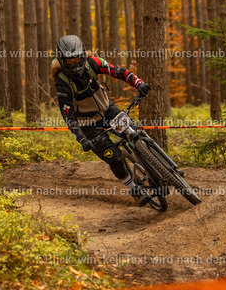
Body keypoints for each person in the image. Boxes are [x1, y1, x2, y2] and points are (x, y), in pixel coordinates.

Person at [52, 35, 152, 206]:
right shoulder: (62, 82)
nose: (74, 64)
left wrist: (138, 83)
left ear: (83, 56)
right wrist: (82, 139)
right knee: (114, 157)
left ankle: (160, 166)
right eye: (69, 61)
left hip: (107, 111)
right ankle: (134, 189)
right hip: (87, 124)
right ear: (62, 61)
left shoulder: (93, 63)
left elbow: (118, 72)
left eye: (77, 59)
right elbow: (68, 116)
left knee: (135, 133)